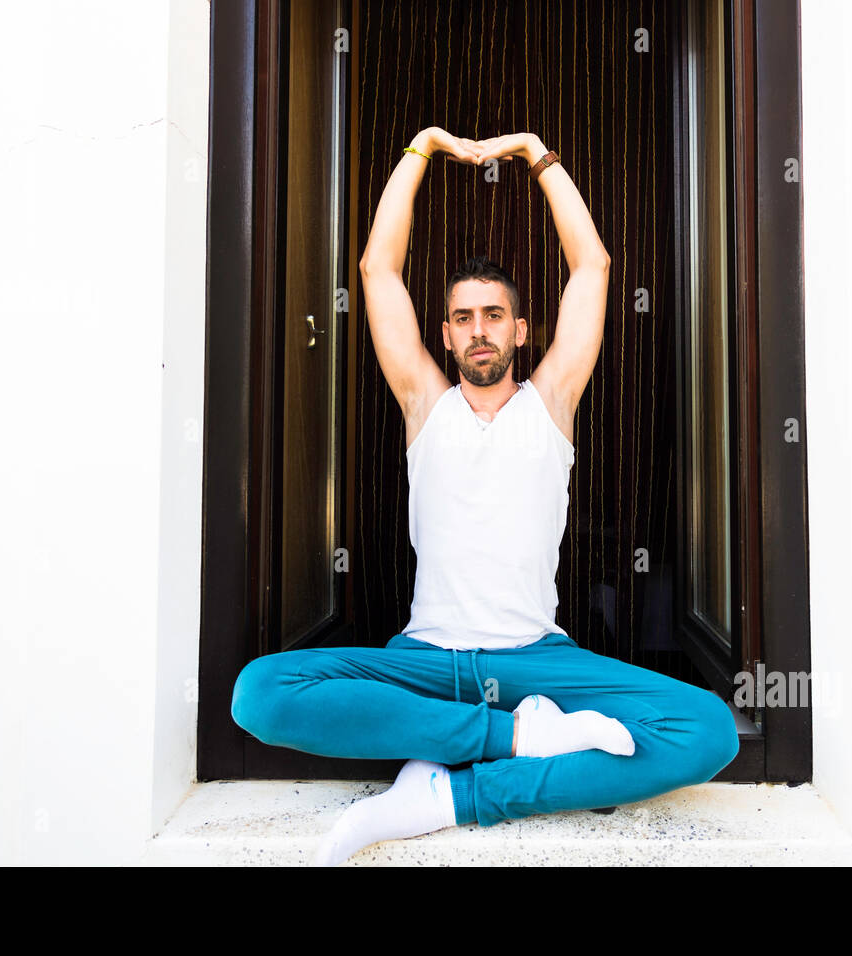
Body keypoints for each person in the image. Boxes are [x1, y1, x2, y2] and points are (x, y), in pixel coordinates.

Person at [230, 126, 739, 866]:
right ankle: (515, 741)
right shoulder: (424, 407)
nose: (479, 330)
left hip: (537, 660)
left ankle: (450, 797)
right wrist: (422, 147)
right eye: (464, 317)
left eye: (494, 315)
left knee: (709, 731)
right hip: (427, 660)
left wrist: (537, 153)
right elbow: (377, 269)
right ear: (444, 334)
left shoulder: (552, 402)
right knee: (259, 694)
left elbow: (592, 264)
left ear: (522, 330)